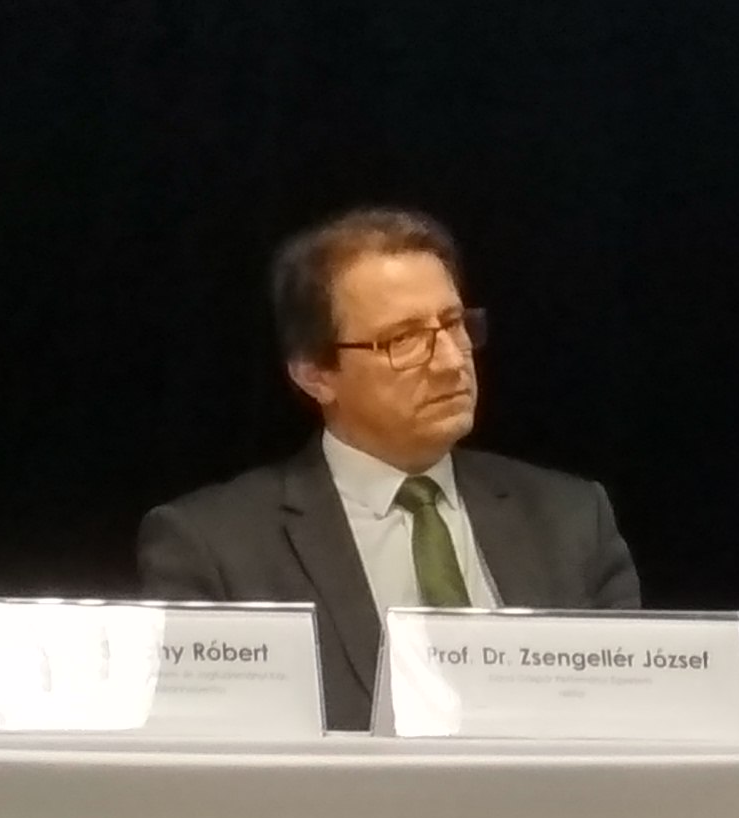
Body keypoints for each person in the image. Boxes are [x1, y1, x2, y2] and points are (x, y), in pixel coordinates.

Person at [137, 207, 639, 728]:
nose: (451, 362)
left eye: (453, 324)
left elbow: (631, 724)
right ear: (315, 375)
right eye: (403, 340)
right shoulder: (212, 548)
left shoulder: (572, 520)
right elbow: (203, 752)